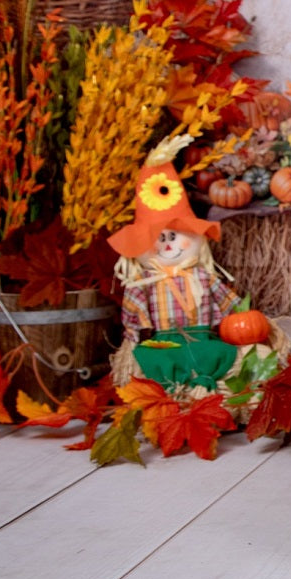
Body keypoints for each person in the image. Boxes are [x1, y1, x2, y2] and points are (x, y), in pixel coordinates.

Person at [109, 136, 242, 390]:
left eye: (174, 236)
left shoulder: (202, 277)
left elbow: (230, 307)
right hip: (164, 342)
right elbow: (133, 315)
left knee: (217, 354)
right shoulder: (145, 282)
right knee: (150, 358)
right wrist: (132, 338)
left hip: (203, 337)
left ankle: (205, 392)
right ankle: (171, 395)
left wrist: (246, 325)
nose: (168, 245)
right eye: (159, 238)